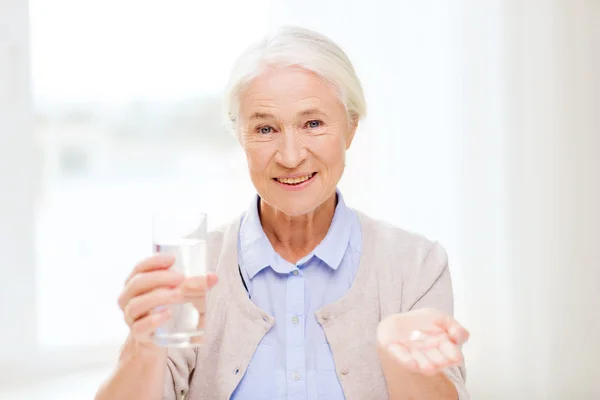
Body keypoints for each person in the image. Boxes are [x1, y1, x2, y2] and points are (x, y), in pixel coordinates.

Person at [96, 26, 470, 400]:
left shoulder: (416, 265)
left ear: (351, 128)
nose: (290, 157)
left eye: (313, 123)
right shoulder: (193, 270)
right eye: (265, 128)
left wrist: (404, 361)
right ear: (239, 136)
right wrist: (143, 347)